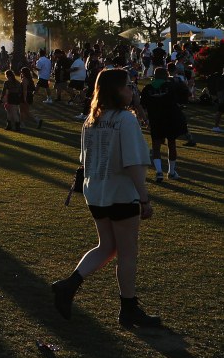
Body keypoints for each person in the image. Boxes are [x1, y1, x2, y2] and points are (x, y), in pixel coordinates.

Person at [51, 68, 160, 328]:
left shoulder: (91, 119)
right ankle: (128, 308)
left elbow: (84, 160)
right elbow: (133, 163)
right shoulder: (125, 119)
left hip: (96, 191)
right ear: (116, 90)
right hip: (120, 193)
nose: (131, 90)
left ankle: (69, 285)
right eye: (127, 86)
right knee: (127, 252)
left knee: (107, 246)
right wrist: (144, 199)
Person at [140, 67, 186, 181]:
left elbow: (142, 105)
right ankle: (171, 171)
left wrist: (146, 119)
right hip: (170, 119)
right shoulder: (170, 86)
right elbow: (181, 98)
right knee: (171, 144)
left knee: (156, 147)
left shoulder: (147, 88)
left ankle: (159, 171)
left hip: (155, 120)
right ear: (166, 75)